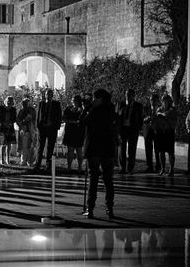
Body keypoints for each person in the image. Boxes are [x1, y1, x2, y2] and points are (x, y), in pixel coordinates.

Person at [82, 88, 118, 219]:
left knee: (94, 179)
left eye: (94, 98)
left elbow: (83, 122)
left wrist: (87, 108)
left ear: (99, 99)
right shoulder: (111, 109)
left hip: (95, 147)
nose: (92, 100)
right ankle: (109, 208)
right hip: (107, 147)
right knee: (108, 180)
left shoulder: (94, 110)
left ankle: (90, 208)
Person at [116, 88, 144, 174]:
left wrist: (138, 129)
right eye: (126, 94)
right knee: (121, 149)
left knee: (132, 150)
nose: (127, 96)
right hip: (123, 129)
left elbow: (141, 118)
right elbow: (117, 116)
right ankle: (122, 168)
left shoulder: (138, 106)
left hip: (133, 130)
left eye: (129, 94)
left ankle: (130, 168)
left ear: (133, 96)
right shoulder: (120, 104)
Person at [34, 88, 62, 172]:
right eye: (47, 94)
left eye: (50, 94)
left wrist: (57, 127)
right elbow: (38, 116)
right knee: (40, 147)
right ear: (45, 95)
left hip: (52, 128)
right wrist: (37, 126)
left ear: (52, 95)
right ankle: (37, 165)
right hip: (42, 128)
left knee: (50, 147)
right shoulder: (41, 103)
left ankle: (48, 165)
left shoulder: (56, 104)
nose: (48, 96)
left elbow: (59, 116)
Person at [154, 94, 177, 176]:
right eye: (163, 100)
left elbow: (167, 114)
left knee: (171, 152)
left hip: (169, 132)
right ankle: (163, 168)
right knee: (161, 151)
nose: (164, 102)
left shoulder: (173, 109)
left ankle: (171, 169)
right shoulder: (160, 108)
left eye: (166, 100)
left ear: (169, 101)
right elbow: (157, 115)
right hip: (161, 132)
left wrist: (162, 115)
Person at [62, 94, 85, 173]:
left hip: (79, 131)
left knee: (79, 150)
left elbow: (83, 119)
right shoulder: (68, 109)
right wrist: (68, 121)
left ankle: (79, 167)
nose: (74, 102)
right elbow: (64, 118)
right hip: (70, 131)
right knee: (70, 150)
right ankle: (69, 167)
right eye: (73, 100)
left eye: (75, 100)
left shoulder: (82, 109)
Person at [142, 93, 161, 173]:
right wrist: (147, 118)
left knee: (158, 149)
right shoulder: (146, 109)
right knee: (148, 149)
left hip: (157, 131)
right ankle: (149, 166)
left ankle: (158, 166)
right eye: (151, 100)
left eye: (154, 100)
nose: (152, 101)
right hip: (148, 130)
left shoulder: (160, 109)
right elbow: (142, 119)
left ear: (158, 101)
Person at [0, 96, 17, 165]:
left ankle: (8, 159)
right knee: (3, 144)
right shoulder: (1, 108)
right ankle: (2, 160)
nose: (9, 102)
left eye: (10, 101)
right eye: (8, 100)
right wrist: (4, 123)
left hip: (10, 127)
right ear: (5, 101)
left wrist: (10, 123)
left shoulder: (13, 109)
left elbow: (14, 118)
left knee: (9, 144)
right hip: (2, 127)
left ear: (12, 102)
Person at [16, 97, 37, 167]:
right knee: (24, 147)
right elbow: (18, 120)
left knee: (31, 146)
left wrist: (29, 120)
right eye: (23, 103)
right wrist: (22, 124)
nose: (24, 104)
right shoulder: (21, 111)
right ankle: (23, 161)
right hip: (23, 130)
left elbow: (34, 119)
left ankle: (30, 161)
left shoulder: (32, 110)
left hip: (31, 130)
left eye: (26, 103)